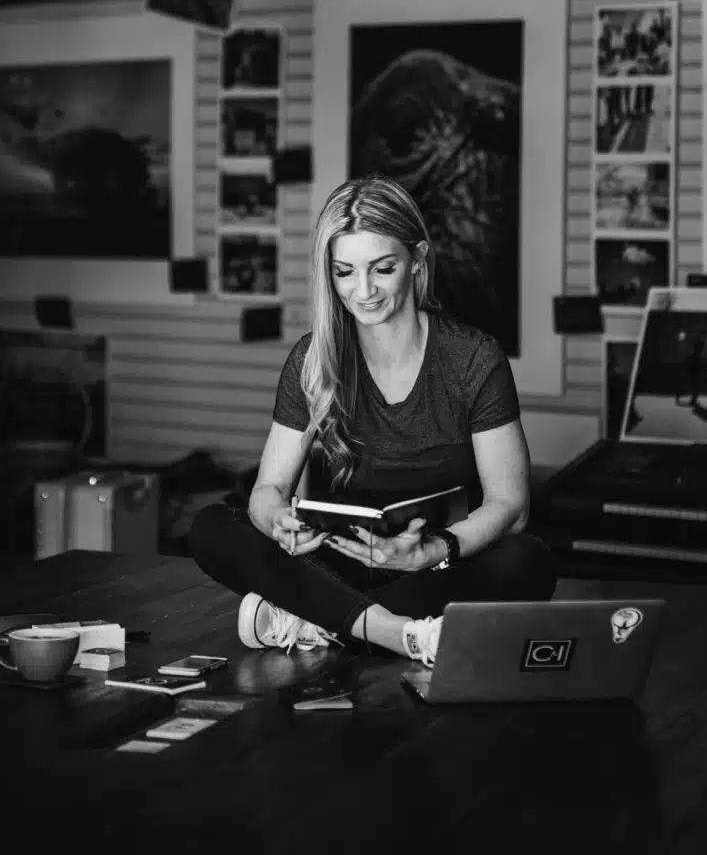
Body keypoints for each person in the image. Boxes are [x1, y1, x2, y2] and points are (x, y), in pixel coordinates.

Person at [188, 176, 556, 668]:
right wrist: (280, 521)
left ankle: (313, 621)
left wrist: (432, 550)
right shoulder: (312, 360)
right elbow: (267, 490)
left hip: (427, 567)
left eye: (383, 269)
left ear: (417, 259)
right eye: (344, 272)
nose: (363, 292)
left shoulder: (473, 358)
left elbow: (511, 506)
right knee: (213, 525)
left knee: (526, 560)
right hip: (337, 563)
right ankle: (393, 632)